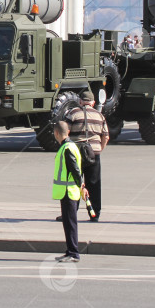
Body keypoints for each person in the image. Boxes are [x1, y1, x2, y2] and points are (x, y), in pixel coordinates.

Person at [66, 90, 109, 221]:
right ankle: (94, 214)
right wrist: (99, 149)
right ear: (93, 103)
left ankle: (71, 213)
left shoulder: (73, 113)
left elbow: (65, 132)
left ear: (80, 101)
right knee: (94, 183)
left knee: (73, 183)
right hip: (93, 153)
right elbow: (106, 136)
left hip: (75, 153)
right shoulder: (100, 116)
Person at [52, 120, 88, 263]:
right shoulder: (70, 146)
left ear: (56, 133)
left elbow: (74, 169)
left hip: (68, 191)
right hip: (69, 191)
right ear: (68, 132)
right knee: (68, 223)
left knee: (70, 223)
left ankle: (73, 252)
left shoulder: (66, 149)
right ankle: (70, 251)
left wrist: (81, 187)